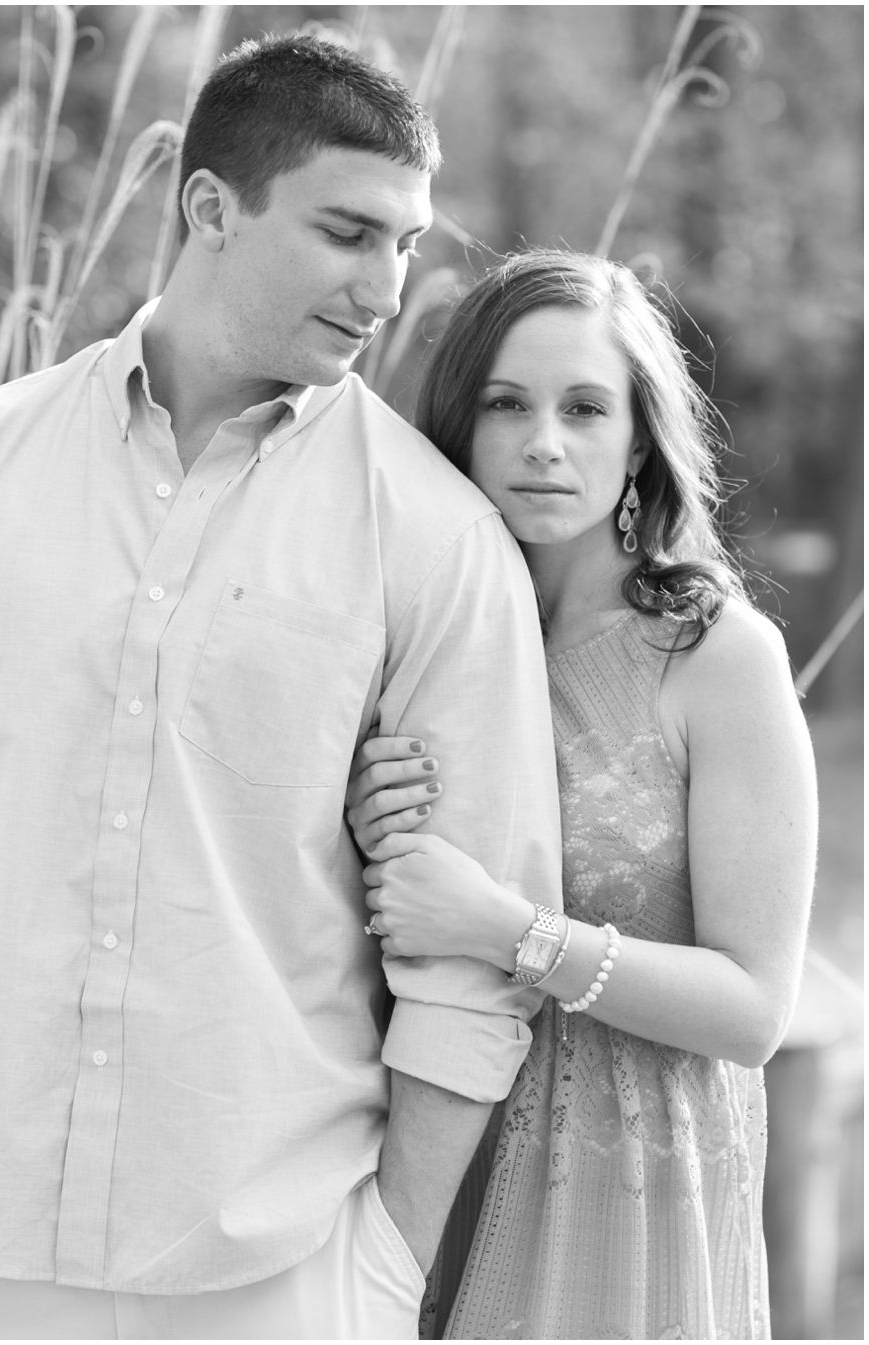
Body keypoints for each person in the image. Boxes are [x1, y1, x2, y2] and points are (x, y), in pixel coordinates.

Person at [0, 38, 564, 1341]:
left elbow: (477, 957)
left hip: (274, 1273)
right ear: (209, 210)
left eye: (406, 245)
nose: (387, 288)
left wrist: (385, 1270)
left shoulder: (437, 538)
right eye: (350, 233)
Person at [346, 250, 818, 1339]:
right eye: (507, 404)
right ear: (460, 423)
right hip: (431, 1151)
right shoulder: (417, 640)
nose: (543, 442)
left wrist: (510, 930)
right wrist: (367, 833)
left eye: (585, 407)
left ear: (640, 440)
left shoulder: (715, 657)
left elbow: (755, 1010)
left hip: (634, 1190)